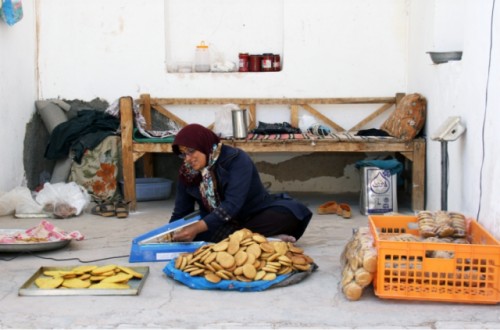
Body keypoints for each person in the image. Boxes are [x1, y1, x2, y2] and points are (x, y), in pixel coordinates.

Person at [169, 123, 312, 243]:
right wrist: (169, 234)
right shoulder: (188, 173)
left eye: (191, 151)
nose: (188, 159)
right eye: (183, 154)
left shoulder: (235, 159)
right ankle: (263, 240)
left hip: (253, 214)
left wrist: (198, 228)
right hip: (220, 223)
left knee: (289, 214)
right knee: (195, 234)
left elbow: (233, 204)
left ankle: (245, 240)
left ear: (204, 144)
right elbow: (181, 212)